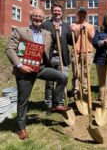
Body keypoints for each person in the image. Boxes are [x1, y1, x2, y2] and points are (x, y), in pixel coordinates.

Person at [5, 8, 69, 140]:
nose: (38, 18)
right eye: (36, 16)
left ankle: (56, 104)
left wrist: (67, 31)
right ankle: (21, 128)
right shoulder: (21, 31)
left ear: (43, 19)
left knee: (62, 77)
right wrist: (20, 65)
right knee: (23, 101)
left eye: (40, 17)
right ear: (31, 17)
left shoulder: (47, 34)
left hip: (41, 68)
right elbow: (9, 49)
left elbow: (59, 41)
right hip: (25, 70)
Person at [42, 2, 72, 113]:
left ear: (62, 12)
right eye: (55, 10)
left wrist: (74, 32)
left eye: (59, 11)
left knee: (63, 79)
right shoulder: (45, 24)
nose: (57, 12)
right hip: (49, 57)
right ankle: (49, 105)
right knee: (49, 82)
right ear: (51, 12)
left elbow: (70, 41)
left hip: (62, 57)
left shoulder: (66, 25)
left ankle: (59, 103)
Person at [70, 7, 95, 97]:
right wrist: (77, 30)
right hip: (76, 52)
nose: (82, 16)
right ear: (78, 15)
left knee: (85, 72)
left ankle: (84, 91)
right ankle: (76, 91)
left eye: (84, 14)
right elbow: (73, 38)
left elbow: (93, 38)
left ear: (86, 15)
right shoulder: (73, 25)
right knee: (76, 72)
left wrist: (86, 30)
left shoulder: (90, 26)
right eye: (80, 14)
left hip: (88, 52)